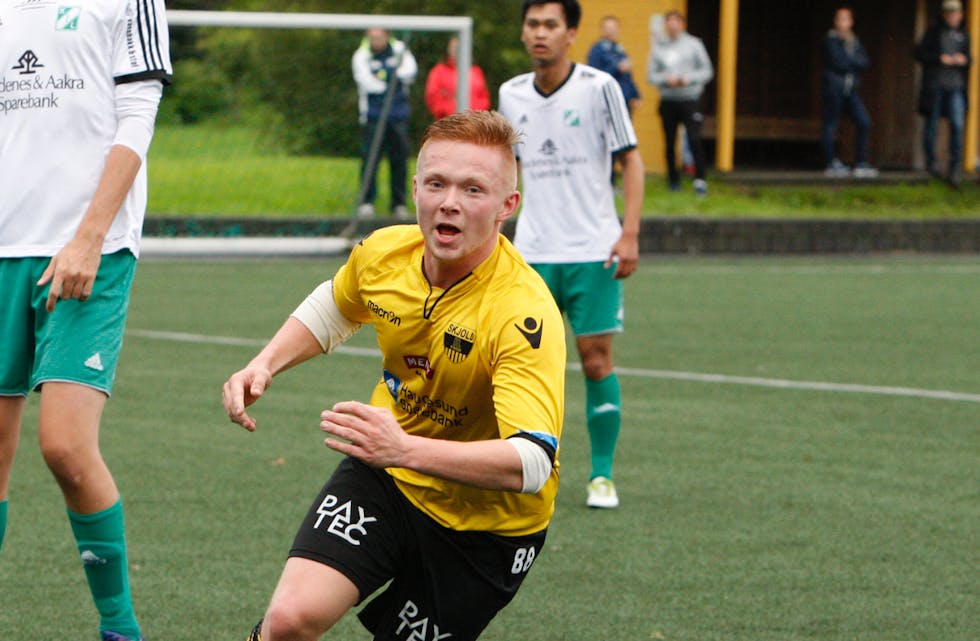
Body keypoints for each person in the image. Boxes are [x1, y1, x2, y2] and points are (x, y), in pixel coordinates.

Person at [223, 110, 566, 641]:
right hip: (387, 474)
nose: (450, 201)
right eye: (437, 183)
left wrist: (404, 447)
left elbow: (531, 460)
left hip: (488, 527)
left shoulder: (523, 313)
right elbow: (338, 305)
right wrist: (265, 362)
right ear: (416, 189)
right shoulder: (386, 251)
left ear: (507, 207)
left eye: (473, 189)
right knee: (289, 620)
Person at [0, 1, 172, 639]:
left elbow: (139, 113)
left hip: (85, 248)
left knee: (66, 447)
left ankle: (120, 629)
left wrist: (89, 236)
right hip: (1, 251)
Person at [499, 0, 644, 509]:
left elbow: (632, 161)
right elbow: (506, 175)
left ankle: (601, 476)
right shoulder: (510, 94)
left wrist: (628, 234)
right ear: (524, 33)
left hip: (591, 249)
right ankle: (522, 472)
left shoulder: (600, 87)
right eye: (532, 24)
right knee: (521, 365)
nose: (540, 33)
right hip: (532, 253)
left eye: (550, 25)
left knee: (595, 359)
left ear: (571, 34)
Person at [352, 28, 418, 219]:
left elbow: (409, 73)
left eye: (379, 36)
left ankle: (398, 203)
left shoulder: (399, 49)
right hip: (372, 116)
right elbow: (369, 84)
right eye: (372, 37)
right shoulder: (362, 55)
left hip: (397, 116)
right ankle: (366, 201)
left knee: (399, 159)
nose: (376, 40)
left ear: (387, 36)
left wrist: (386, 75)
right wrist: (392, 76)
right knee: (370, 159)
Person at [647, 10, 714, 195]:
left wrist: (689, 79)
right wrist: (665, 79)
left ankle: (699, 180)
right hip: (668, 100)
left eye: (676, 21)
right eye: (669, 22)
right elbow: (651, 75)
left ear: (682, 24)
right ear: (666, 25)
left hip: (689, 99)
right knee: (669, 142)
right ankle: (673, 180)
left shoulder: (694, 44)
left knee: (694, 139)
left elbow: (706, 71)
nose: (672, 25)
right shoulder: (659, 46)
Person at [915, 0, 972, 188]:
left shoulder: (963, 35)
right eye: (949, 13)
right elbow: (919, 53)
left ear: (960, 15)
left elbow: (970, 59)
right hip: (935, 87)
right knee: (932, 126)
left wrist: (963, 60)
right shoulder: (933, 33)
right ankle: (932, 163)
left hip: (956, 87)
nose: (952, 16)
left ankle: (954, 168)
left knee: (957, 125)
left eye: (955, 13)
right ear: (944, 15)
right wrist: (940, 58)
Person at [821, 6, 879, 178]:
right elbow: (838, 62)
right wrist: (852, 62)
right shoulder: (830, 40)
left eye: (846, 19)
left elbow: (865, 62)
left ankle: (861, 162)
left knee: (864, 122)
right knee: (831, 124)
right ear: (835, 21)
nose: (843, 22)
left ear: (851, 22)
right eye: (840, 19)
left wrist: (850, 62)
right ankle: (830, 162)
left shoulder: (854, 41)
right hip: (833, 88)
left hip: (850, 89)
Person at [424, 36, 491, 121]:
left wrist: (473, 114)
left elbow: (484, 98)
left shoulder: (476, 71)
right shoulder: (438, 71)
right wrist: (453, 113)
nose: (457, 50)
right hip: (447, 125)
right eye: (454, 47)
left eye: (460, 46)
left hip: (474, 124)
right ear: (448, 49)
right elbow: (433, 99)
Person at [587, 15, 641, 114]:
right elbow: (594, 75)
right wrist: (617, 68)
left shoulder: (620, 49)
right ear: (602, 30)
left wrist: (635, 94)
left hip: (624, 100)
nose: (611, 31)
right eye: (607, 28)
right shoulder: (596, 50)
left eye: (613, 28)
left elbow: (628, 75)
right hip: (607, 100)